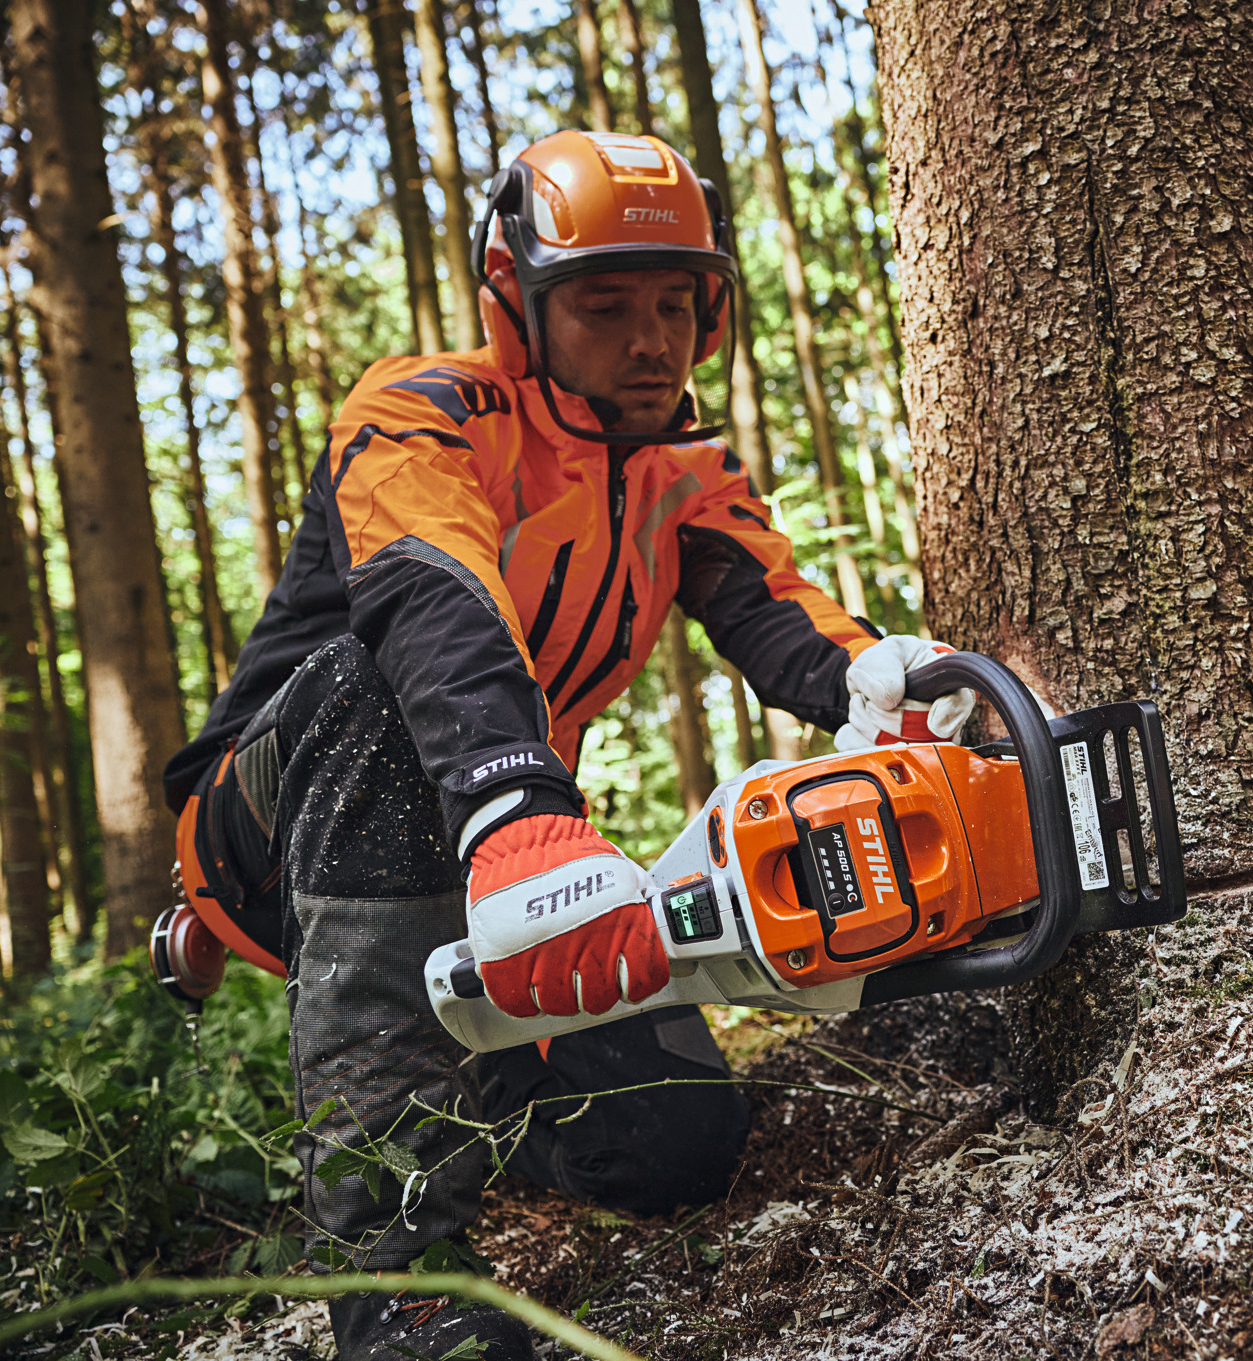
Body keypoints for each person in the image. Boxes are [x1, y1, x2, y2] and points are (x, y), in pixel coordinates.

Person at [159, 129, 975, 1360]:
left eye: (676, 303)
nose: (651, 340)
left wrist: (876, 675)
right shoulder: (417, 414)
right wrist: (515, 805)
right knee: (376, 681)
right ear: (517, 301)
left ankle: (477, 1087)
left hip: (499, 846)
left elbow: (769, 606)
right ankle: (396, 1271)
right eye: (605, 306)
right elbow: (435, 598)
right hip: (284, 827)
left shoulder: (682, 465)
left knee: (673, 1142)